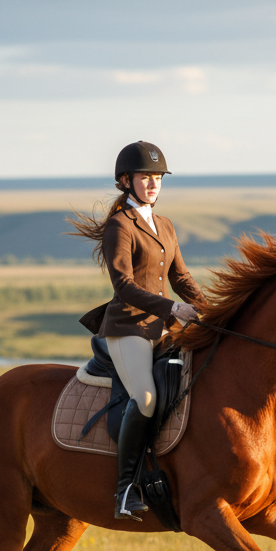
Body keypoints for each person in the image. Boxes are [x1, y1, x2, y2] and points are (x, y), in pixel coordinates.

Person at [70, 141, 207, 521]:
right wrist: (172, 308)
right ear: (125, 181)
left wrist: (212, 309)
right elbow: (124, 286)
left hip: (162, 329)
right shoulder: (120, 225)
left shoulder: (164, 224)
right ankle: (126, 487)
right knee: (145, 397)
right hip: (128, 327)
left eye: (158, 178)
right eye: (146, 178)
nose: (153, 184)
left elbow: (181, 276)